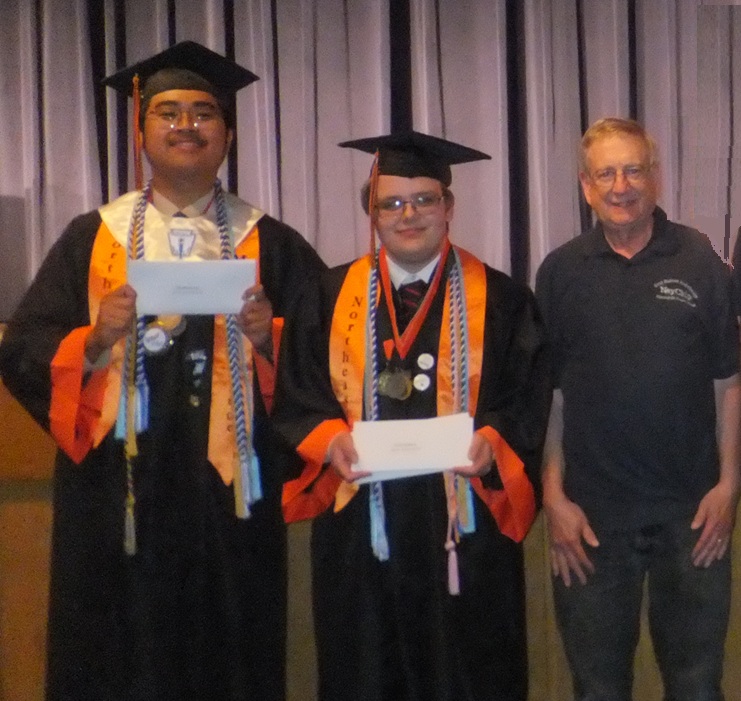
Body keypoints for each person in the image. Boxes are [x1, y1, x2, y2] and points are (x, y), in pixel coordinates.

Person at [0, 41, 325, 701]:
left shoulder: (273, 243)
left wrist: (272, 340)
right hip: (115, 491)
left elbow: (331, 363)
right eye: (168, 112)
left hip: (229, 498)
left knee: (227, 656)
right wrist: (95, 339)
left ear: (227, 134)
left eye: (204, 112)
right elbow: (24, 348)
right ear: (141, 130)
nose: (186, 126)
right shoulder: (93, 237)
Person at [274, 131, 550, 701]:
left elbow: (528, 399)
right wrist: (328, 441)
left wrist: (494, 440)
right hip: (359, 532)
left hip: (464, 532)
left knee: (469, 675)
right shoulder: (326, 296)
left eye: (424, 199)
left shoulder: (503, 300)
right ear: (372, 214)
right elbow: (297, 395)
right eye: (392, 203)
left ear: (449, 206)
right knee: (364, 675)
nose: (409, 215)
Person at [535, 117, 741, 701]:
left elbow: (729, 381)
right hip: (591, 522)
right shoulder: (560, 271)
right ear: (586, 185)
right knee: (598, 689)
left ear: (656, 177)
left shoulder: (699, 259)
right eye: (606, 174)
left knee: (697, 687)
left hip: (693, 516)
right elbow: (550, 396)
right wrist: (554, 498)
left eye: (633, 170)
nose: (621, 186)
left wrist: (729, 486)